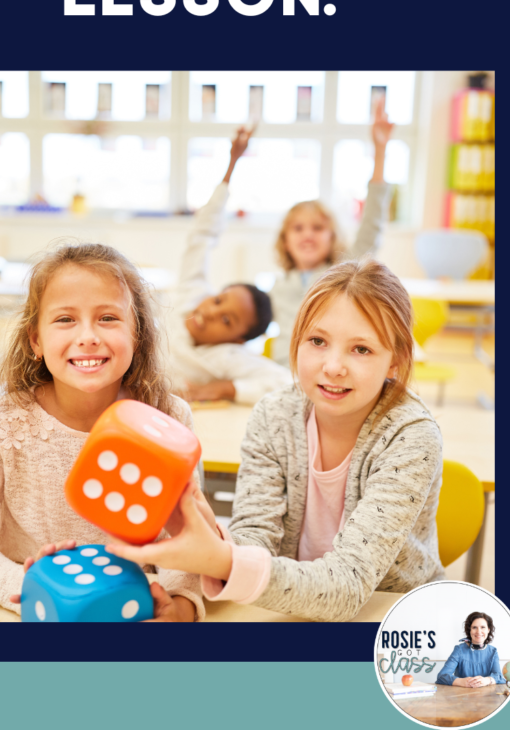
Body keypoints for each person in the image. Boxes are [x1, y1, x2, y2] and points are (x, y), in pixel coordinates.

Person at [105, 257, 445, 621]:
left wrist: (222, 559)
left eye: (361, 349)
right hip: (291, 610)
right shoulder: (273, 415)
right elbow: (256, 537)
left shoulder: (410, 436)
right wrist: (215, 544)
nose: (333, 366)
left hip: (393, 620)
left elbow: (349, 585)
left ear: (395, 360)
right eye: (317, 341)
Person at [0, 242, 204, 621]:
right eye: (65, 319)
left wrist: (181, 604)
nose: (88, 336)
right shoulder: (1, 421)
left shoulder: (169, 417)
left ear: (138, 334)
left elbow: (186, 539)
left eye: (108, 318)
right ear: (35, 340)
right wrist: (29, 588)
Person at [166, 125, 292, 404]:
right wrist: (231, 164)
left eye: (226, 320)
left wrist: (227, 388)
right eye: (219, 301)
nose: (212, 312)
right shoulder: (191, 293)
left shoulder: (225, 358)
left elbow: (286, 383)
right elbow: (201, 236)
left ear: (237, 341)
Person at [269, 97, 395, 367]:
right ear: (285, 240)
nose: (308, 235)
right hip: (283, 371)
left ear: (332, 236)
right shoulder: (279, 286)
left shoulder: (342, 272)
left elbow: (372, 225)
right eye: (298, 228)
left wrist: (380, 151)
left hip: (328, 372)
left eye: (317, 228)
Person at [436, 613, 506, 687]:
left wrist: (487, 680)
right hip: (462, 696)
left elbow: (499, 677)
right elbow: (442, 676)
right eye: (474, 627)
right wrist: (462, 682)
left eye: (483, 627)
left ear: (488, 630)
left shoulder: (493, 652)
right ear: (470, 630)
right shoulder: (459, 650)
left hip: (487, 696)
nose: (478, 631)